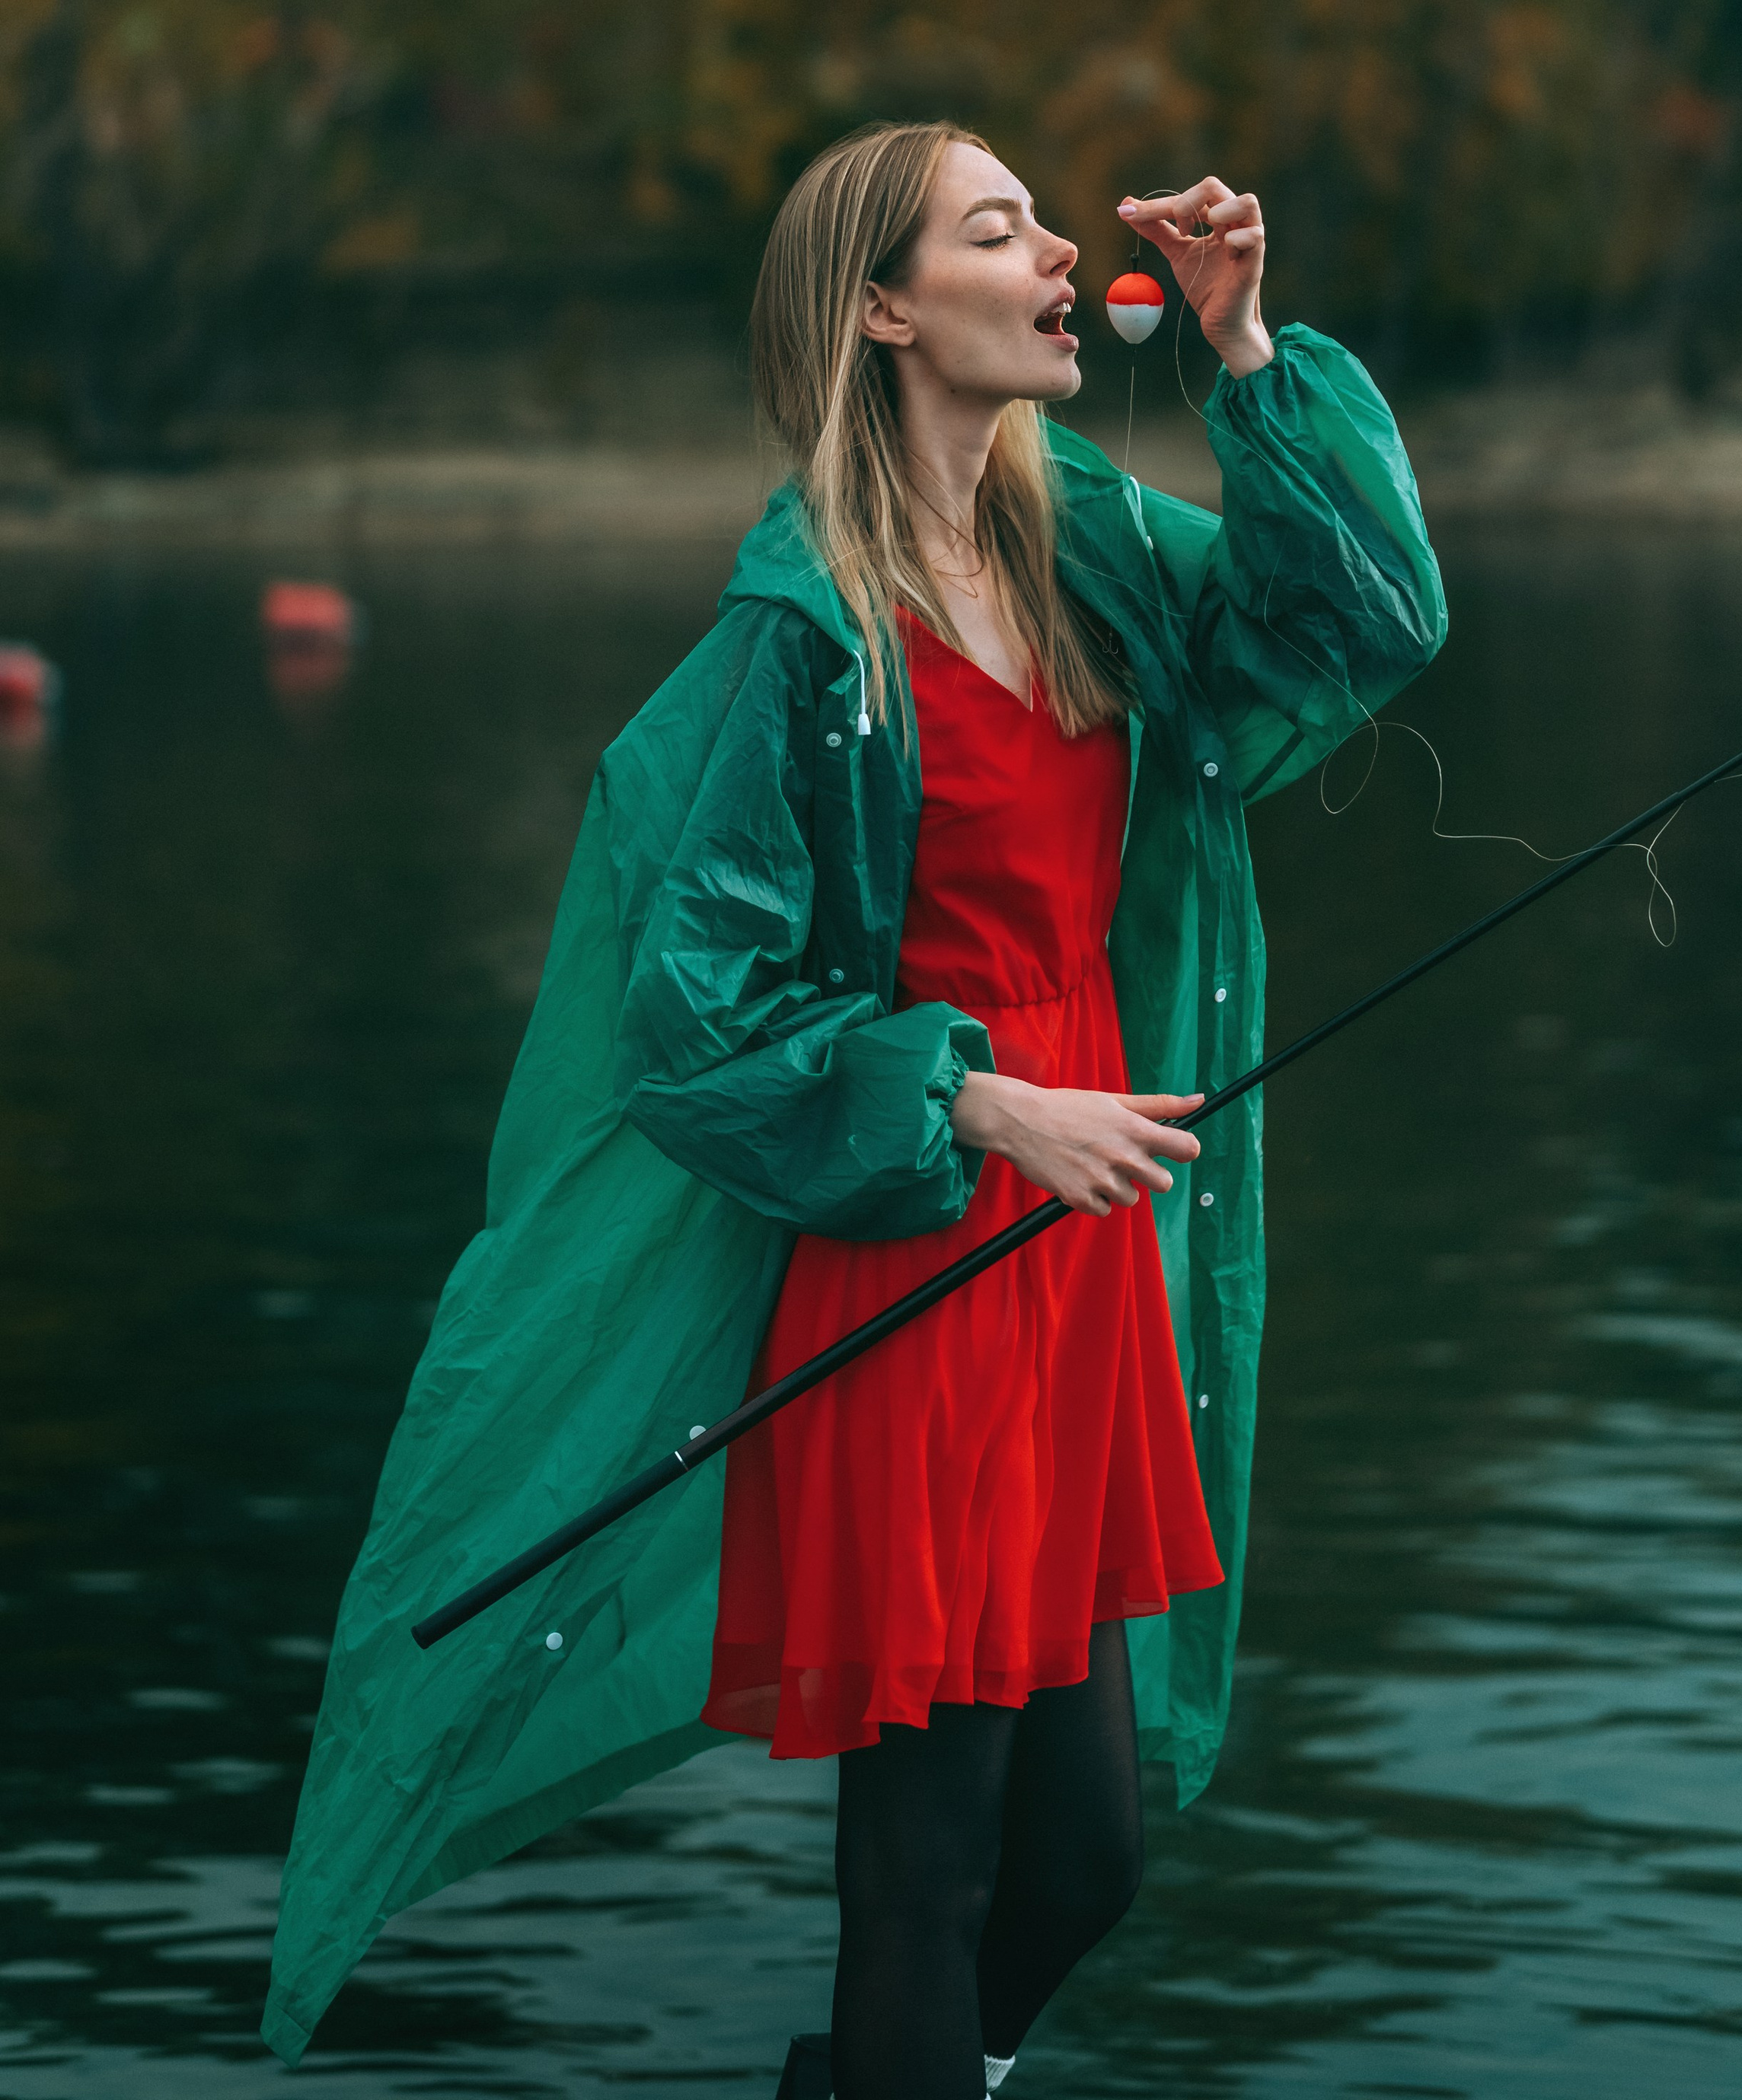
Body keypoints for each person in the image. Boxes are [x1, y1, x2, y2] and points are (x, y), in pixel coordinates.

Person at [261, 123, 1446, 2095]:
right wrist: (982, 1104)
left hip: (1077, 1260)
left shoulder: (1088, 552)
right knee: (925, 1873)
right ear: (885, 310)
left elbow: (1366, 622)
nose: (1058, 252)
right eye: (1000, 229)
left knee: (1084, 1860)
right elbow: (697, 1023)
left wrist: (1246, 353)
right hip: (925, 1259)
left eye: (1047, 224)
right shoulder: (809, 631)